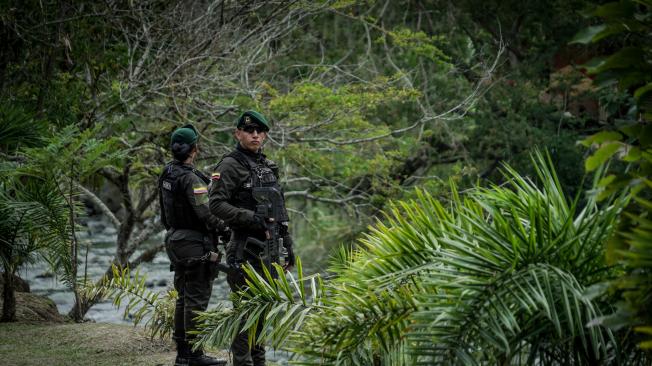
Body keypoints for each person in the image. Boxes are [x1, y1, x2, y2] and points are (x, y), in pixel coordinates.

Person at [208, 110, 295, 366]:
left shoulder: (266, 166)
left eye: (259, 131)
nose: (255, 135)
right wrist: (250, 217)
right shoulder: (229, 165)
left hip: (269, 249)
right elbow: (215, 204)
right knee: (245, 314)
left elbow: (278, 208)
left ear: (265, 134)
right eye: (249, 131)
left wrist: (287, 243)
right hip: (244, 247)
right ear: (238, 134)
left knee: (262, 312)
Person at [159, 124, 227, 366]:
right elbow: (205, 213)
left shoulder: (167, 172)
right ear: (195, 149)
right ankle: (195, 355)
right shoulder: (190, 178)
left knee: (184, 297)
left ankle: (183, 354)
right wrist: (226, 228)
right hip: (193, 243)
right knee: (196, 298)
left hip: (174, 239)